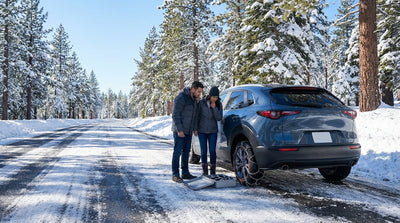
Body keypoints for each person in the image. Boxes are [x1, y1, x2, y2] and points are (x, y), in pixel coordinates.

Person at [171, 81, 204, 183]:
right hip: (179, 130)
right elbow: (176, 115)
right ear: (193, 89)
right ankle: (175, 174)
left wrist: (194, 128)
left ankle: (185, 172)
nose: (200, 94)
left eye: (201, 92)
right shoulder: (181, 98)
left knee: (186, 152)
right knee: (177, 152)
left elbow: (194, 116)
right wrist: (180, 130)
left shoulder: (194, 100)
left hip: (189, 130)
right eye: (198, 91)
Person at [196, 86, 222, 175]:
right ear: (210, 96)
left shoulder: (219, 104)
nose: (215, 99)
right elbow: (197, 116)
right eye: (213, 97)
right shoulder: (202, 103)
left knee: (212, 150)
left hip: (212, 131)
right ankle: (204, 171)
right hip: (201, 131)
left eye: (216, 97)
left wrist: (214, 108)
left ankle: (213, 171)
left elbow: (219, 118)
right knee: (203, 150)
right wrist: (195, 129)